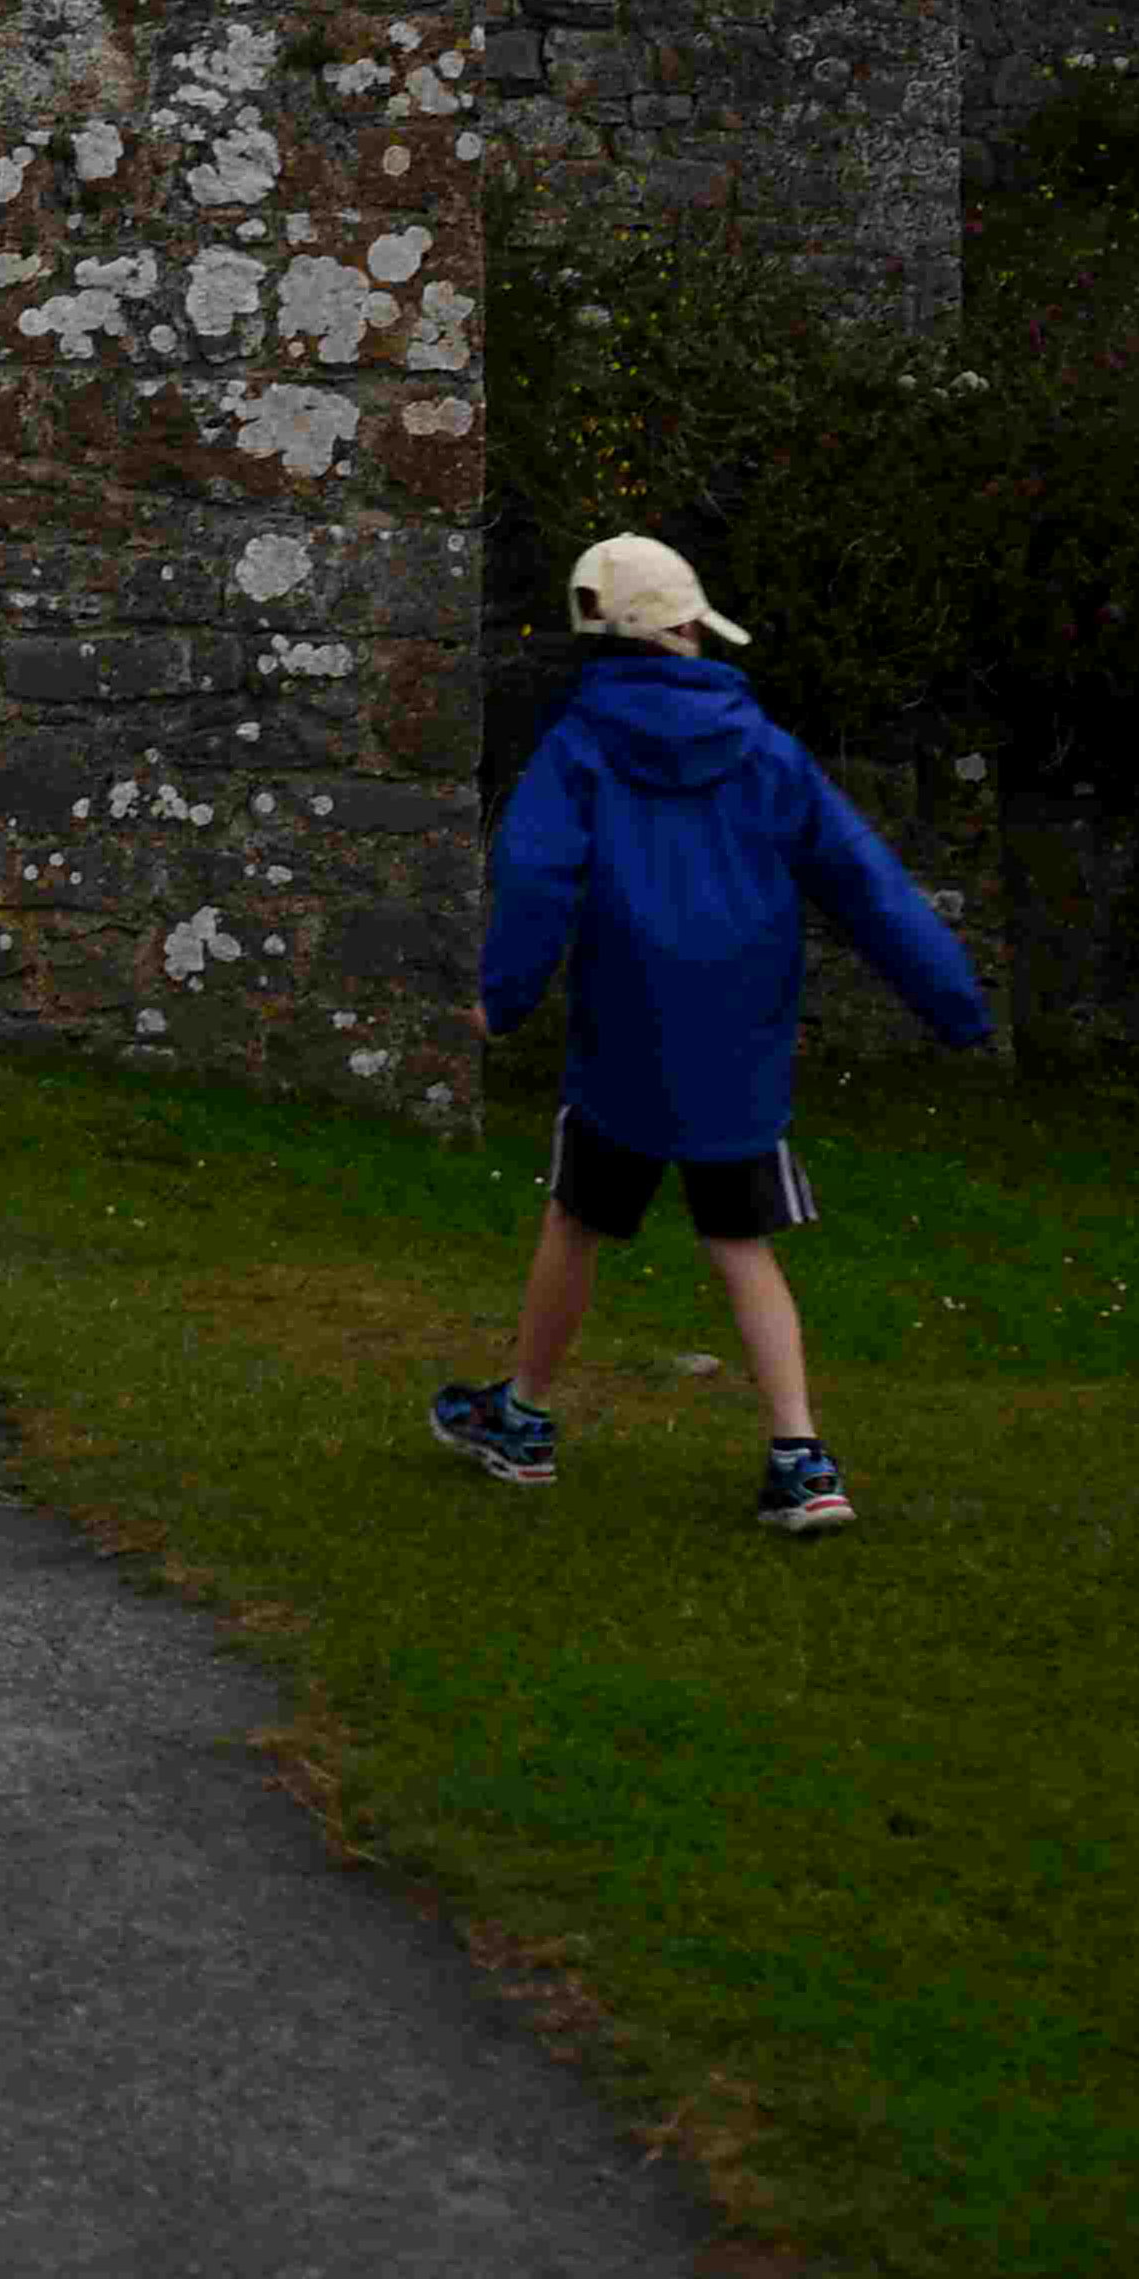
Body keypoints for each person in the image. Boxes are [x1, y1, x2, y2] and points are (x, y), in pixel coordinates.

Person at [433, 528, 994, 1535]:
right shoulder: (764, 751)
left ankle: (522, 1417)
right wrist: (951, 1002)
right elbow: (863, 880)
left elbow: (535, 879)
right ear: (685, 629)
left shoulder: (577, 749)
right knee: (741, 1239)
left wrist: (503, 999)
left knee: (577, 1220)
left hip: (622, 1036)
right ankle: (799, 1458)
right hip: (737, 1039)